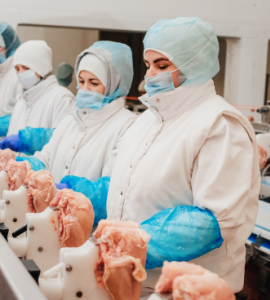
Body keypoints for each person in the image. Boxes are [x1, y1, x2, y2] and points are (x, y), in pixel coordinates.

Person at [105, 17, 259, 294]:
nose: (150, 74)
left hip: (190, 290)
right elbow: (126, 186)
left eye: (162, 65)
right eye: (148, 65)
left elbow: (214, 220)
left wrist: (137, 244)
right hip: (136, 280)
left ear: (194, 64)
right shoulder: (149, 120)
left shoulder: (219, 124)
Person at [15, 41, 138, 225]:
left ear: (115, 85)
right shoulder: (71, 120)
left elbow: (112, 190)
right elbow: (45, 159)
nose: (84, 89)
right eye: (81, 81)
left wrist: (70, 191)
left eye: (94, 83)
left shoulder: (127, 127)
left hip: (88, 239)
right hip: (52, 225)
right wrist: (19, 167)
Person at [0, 40, 75, 154]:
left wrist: (28, 141)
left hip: (41, 171)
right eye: (17, 69)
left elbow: (63, 141)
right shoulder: (22, 99)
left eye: (26, 68)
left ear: (42, 67)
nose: (20, 73)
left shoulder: (61, 98)